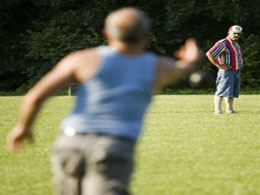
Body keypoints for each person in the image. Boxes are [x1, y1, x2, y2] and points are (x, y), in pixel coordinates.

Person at [7, 7, 200, 195]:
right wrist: (192, 59)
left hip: (70, 143)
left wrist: (23, 127)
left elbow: (36, 96)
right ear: (146, 35)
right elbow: (183, 69)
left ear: (106, 34)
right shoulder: (158, 67)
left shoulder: (81, 60)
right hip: (114, 147)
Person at [206, 25, 244, 114]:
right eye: (234, 33)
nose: (236, 35)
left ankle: (229, 109)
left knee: (232, 92)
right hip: (226, 72)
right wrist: (218, 65)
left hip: (236, 71)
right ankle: (218, 109)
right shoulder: (223, 43)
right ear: (229, 33)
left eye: (238, 34)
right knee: (221, 90)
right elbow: (209, 53)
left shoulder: (236, 44)